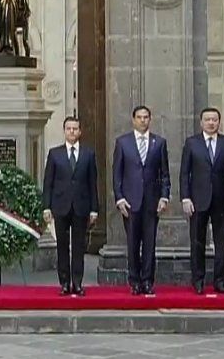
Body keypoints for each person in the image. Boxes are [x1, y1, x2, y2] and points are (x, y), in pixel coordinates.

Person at [179, 107, 224, 295]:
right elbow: (184, 173)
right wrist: (185, 197)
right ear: (201, 122)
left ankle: (220, 280)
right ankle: (198, 280)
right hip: (198, 199)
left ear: (219, 122)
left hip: (221, 200)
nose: (211, 123)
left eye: (214, 119)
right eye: (207, 119)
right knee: (197, 241)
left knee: (222, 242)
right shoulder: (192, 143)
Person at [112, 105, 171, 296]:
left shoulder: (159, 143)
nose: (143, 120)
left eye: (146, 117)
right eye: (139, 117)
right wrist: (119, 198)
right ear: (133, 119)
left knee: (149, 243)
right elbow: (117, 173)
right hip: (130, 201)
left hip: (152, 201)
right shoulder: (123, 143)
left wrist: (164, 196)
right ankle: (134, 280)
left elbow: (164, 173)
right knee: (132, 243)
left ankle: (147, 280)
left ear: (150, 119)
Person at [42, 116, 99, 296]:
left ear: (80, 131)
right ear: (64, 131)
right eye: (69, 128)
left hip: (81, 206)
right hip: (60, 205)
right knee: (62, 246)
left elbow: (92, 183)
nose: (72, 132)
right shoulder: (55, 154)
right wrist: (46, 207)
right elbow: (48, 182)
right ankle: (65, 283)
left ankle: (77, 282)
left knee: (79, 247)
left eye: (75, 129)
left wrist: (94, 208)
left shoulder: (88, 154)